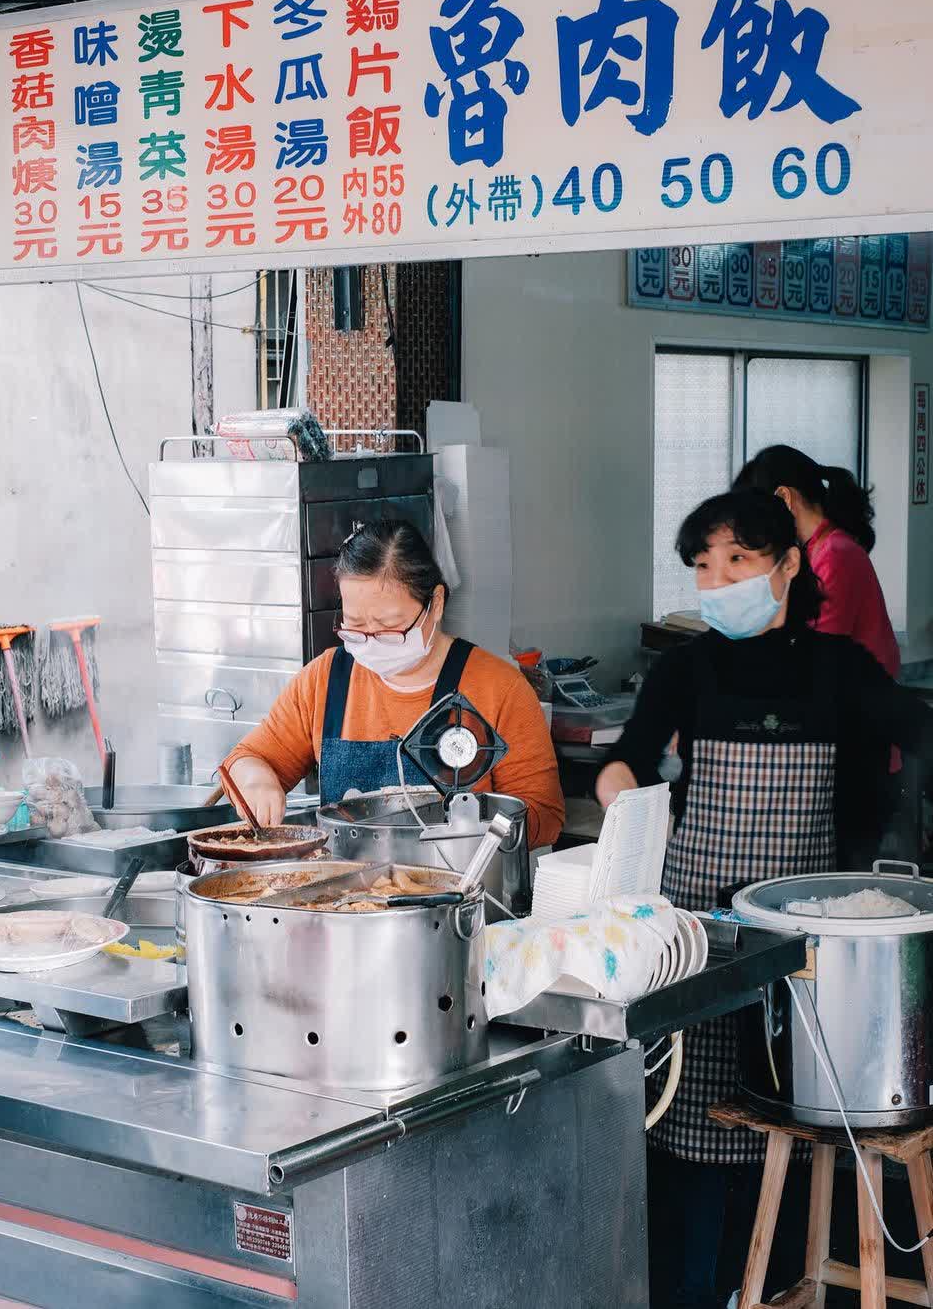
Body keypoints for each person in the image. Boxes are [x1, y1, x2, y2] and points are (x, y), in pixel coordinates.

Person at [595, 489, 933, 1309]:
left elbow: (916, 729)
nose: (718, 580)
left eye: (738, 560)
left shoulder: (838, 670)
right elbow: (630, 760)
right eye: (704, 565)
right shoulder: (686, 669)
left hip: (802, 941)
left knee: (790, 1100)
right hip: (697, 934)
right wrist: (622, 814)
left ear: (787, 565)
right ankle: (693, 1288)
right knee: (690, 1117)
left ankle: (783, 1275)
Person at [220, 519, 564, 849]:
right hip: (344, 898)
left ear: (436, 604)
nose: (371, 641)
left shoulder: (499, 689)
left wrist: (469, 832)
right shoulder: (324, 680)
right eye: (355, 625)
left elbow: (544, 816)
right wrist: (257, 779)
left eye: (389, 627)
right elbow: (246, 758)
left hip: (461, 898)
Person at [734, 446, 899, 678]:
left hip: (863, 696)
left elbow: (819, 650)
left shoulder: (836, 553)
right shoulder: (814, 548)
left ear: (784, 497)